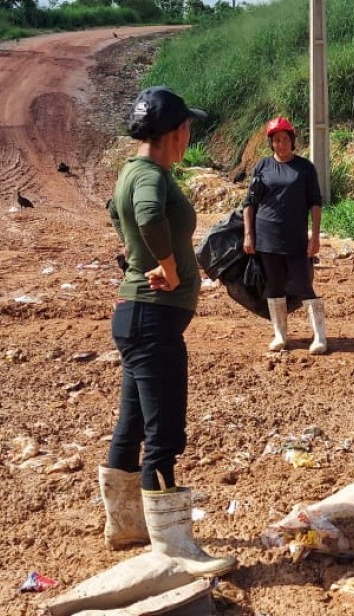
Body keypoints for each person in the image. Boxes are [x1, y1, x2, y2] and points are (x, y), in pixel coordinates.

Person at [101, 85, 236, 578]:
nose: (189, 136)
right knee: (164, 432)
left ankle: (127, 526)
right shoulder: (151, 176)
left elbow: (119, 215)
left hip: (138, 315)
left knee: (133, 423)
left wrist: (141, 258)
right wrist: (167, 267)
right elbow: (148, 214)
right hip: (153, 318)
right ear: (175, 133)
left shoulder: (130, 173)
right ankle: (175, 548)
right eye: (187, 128)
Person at [242, 116, 328, 355]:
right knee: (274, 285)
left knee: (304, 285)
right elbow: (250, 202)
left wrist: (315, 236)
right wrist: (249, 235)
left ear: (292, 141)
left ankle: (319, 336)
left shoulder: (304, 168)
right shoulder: (262, 167)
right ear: (271, 143)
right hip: (267, 237)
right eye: (276, 140)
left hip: (295, 238)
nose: (280, 144)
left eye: (284, 140)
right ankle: (280, 335)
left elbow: (315, 203)